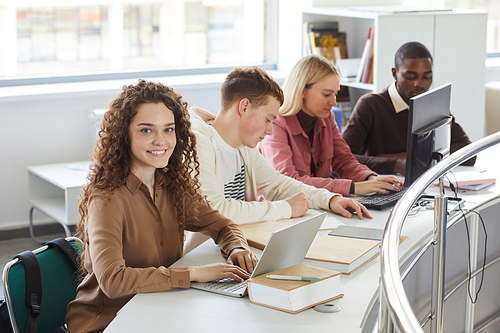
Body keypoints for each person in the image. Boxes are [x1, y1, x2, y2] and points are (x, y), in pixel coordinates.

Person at [65, 79, 258, 333]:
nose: (161, 141)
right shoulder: (106, 199)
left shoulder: (171, 184)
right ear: (124, 134)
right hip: (109, 322)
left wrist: (237, 248)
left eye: (168, 129)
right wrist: (193, 273)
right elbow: (113, 281)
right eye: (147, 130)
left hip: (163, 308)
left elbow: (221, 224)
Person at [189, 66, 372, 227]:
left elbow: (279, 184)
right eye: (268, 119)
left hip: (236, 247)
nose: (270, 130)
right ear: (244, 107)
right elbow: (215, 210)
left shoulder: (244, 148)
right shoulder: (197, 144)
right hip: (201, 257)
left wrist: (330, 199)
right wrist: (285, 208)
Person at [257, 55, 403, 197]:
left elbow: (343, 159)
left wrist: (370, 179)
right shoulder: (275, 124)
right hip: (282, 211)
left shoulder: (326, 117)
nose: (333, 102)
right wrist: (353, 187)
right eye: (327, 94)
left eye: (335, 94)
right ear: (302, 90)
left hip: (317, 204)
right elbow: (288, 183)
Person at [342, 41, 475, 175]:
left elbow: (468, 153)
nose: (419, 84)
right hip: (379, 185)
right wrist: (396, 165)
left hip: (424, 184)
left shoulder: (433, 104)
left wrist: (410, 157)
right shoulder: (370, 105)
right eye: (411, 77)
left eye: (427, 76)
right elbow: (343, 159)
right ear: (395, 73)